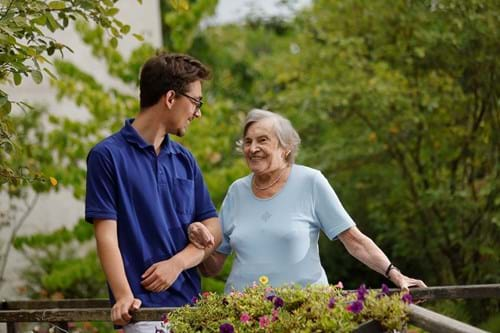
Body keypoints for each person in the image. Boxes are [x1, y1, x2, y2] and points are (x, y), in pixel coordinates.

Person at [188, 109, 426, 293]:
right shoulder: (237, 191)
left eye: (262, 140)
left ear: (286, 149)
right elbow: (213, 266)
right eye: (248, 142)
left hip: (302, 313)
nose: (252, 148)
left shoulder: (310, 182)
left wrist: (395, 274)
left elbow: (354, 241)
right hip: (244, 316)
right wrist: (199, 243)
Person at [85, 53, 221, 332]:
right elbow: (106, 236)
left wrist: (178, 263)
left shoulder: (185, 159)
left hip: (193, 310)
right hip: (142, 312)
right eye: (196, 102)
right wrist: (123, 296)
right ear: (171, 98)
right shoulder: (107, 156)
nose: (198, 113)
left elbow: (214, 226)